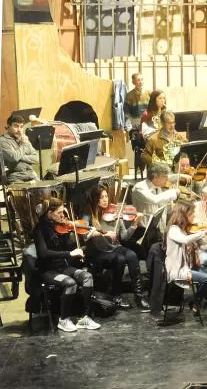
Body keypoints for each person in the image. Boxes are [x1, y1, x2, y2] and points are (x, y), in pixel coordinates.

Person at [33, 198, 101, 332]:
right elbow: (44, 253)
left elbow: (70, 247)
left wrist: (84, 239)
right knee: (70, 283)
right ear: (49, 213)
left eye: (63, 211)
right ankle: (63, 320)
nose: (63, 215)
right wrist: (69, 254)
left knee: (87, 277)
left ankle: (84, 318)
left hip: (63, 268)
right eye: (59, 213)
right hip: (48, 271)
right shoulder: (39, 230)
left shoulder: (62, 227)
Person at [165, 200, 207, 324]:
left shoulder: (186, 230)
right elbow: (185, 240)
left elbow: (203, 248)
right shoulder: (174, 230)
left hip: (190, 267)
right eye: (192, 214)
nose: (194, 217)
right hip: (179, 269)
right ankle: (195, 301)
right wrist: (202, 233)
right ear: (184, 215)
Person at [83, 185, 147, 309]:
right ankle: (116, 295)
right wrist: (105, 233)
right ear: (95, 199)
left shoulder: (114, 213)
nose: (105, 200)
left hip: (115, 247)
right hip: (99, 251)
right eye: (101, 197)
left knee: (132, 255)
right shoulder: (89, 214)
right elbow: (84, 235)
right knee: (120, 259)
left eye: (106, 196)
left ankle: (138, 295)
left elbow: (123, 237)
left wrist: (134, 225)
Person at [132, 162, 180, 254]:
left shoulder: (157, 185)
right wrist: (173, 192)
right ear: (155, 177)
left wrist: (181, 175)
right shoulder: (139, 188)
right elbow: (155, 200)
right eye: (164, 177)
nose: (167, 179)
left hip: (157, 228)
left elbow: (167, 178)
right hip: (144, 230)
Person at [0, 114, 39, 183]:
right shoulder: (3, 141)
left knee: (44, 190)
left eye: (21, 127)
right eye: (16, 126)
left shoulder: (23, 139)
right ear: (8, 127)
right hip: (15, 176)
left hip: (31, 174)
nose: (19, 130)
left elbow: (36, 158)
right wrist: (23, 144)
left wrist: (20, 157)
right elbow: (14, 158)